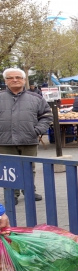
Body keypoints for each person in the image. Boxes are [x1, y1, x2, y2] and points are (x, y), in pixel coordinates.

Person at [0, 68, 51, 204]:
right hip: (4, 141)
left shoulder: (36, 98)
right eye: (10, 78)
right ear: (6, 81)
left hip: (29, 139)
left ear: (24, 80)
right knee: (8, 170)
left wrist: (37, 130)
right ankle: (12, 194)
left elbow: (46, 116)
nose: (15, 80)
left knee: (28, 168)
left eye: (18, 77)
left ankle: (29, 190)